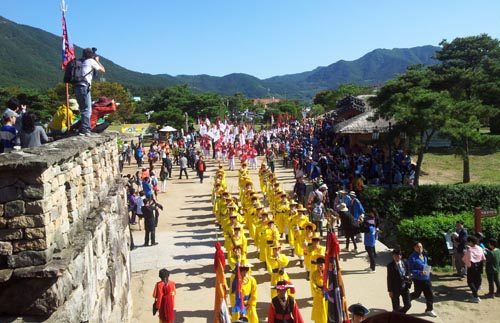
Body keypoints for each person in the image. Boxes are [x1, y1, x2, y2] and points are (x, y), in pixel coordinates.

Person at [73, 47, 105, 136]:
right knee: (87, 109)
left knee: (83, 109)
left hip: (76, 86)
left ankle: (82, 129)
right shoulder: (91, 61)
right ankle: (86, 130)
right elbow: (103, 70)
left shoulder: (80, 61)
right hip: (84, 86)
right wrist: (97, 60)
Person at [408, 242, 437, 317]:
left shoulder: (424, 255)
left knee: (429, 294)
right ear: (414, 248)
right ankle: (407, 298)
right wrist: (420, 272)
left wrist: (428, 270)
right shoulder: (412, 257)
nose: (420, 248)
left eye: (421, 247)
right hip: (418, 280)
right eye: (418, 247)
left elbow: (425, 264)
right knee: (417, 294)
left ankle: (429, 310)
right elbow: (410, 270)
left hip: (426, 278)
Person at [387, 249, 412, 313]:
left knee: (408, 305)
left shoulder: (405, 262)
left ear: (401, 256)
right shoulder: (390, 266)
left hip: (405, 286)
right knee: (396, 307)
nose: (396, 257)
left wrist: (408, 277)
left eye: (397, 256)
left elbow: (408, 272)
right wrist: (390, 291)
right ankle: (397, 314)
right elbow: (389, 278)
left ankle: (401, 313)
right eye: (394, 256)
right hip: (395, 288)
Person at [462, 235, 486, 303]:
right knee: (477, 280)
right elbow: (483, 257)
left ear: (471, 242)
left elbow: (464, 259)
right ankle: (474, 293)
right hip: (479, 266)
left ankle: (476, 296)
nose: (468, 243)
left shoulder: (469, 250)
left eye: (468, 242)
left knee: (470, 281)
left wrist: (465, 253)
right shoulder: (480, 248)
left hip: (472, 266)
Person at [310, 255, 327, 323]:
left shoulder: (328, 273)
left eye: (321, 264)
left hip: (327, 296)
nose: (320, 266)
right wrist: (320, 292)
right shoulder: (314, 274)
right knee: (319, 314)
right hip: (318, 295)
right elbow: (313, 285)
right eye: (318, 265)